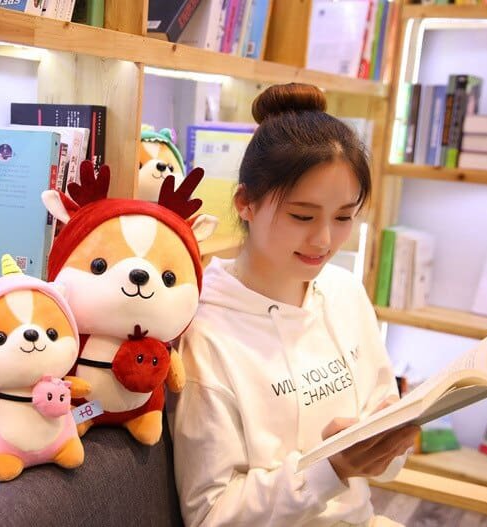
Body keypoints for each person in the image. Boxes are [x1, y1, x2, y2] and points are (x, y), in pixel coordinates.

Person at [170, 83, 419, 527]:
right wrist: (330, 469)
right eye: (302, 216)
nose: (324, 240)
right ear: (245, 203)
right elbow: (211, 515)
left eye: (343, 217)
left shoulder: (343, 291)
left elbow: (384, 457)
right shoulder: (205, 330)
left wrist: (391, 442)